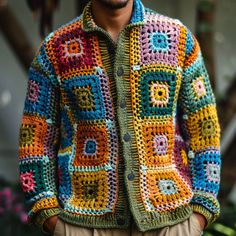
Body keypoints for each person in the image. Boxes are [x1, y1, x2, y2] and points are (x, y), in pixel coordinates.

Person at [18, 0, 221, 235]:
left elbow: (203, 129)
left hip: (171, 222)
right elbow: (35, 139)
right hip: (84, 223)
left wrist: (200, 212)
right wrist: (48, 214)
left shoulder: (177, 39)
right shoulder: (56, 49)